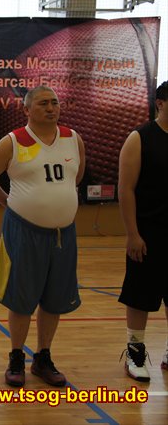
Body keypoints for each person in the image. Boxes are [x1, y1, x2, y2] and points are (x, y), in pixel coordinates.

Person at [0, 85, 85, 388]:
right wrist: (9, 202)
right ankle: (15, 356)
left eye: (54, 103)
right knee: (22, 298)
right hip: (24, 232)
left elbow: (76, 177)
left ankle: (43, 356)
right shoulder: (14, 141)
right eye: (43, 103)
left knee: (54, 299)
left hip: (63, 234)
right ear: (26, 110)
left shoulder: (73, 139)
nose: (51, 108)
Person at [118, 80, 168, 382]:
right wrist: (132, 233)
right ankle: (135, 354)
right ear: (160, 103)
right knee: (140, 296)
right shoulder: (140, 137)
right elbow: (126, 189)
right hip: (148, 232)